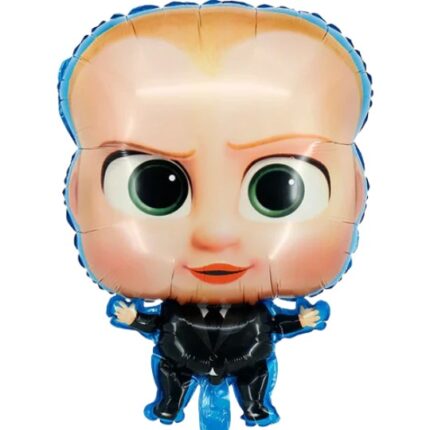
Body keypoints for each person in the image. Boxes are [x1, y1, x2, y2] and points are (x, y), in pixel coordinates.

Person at [59, 2, 371, 427]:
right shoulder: (183, 311)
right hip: (183, 354)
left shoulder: (251, 313)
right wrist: (135, 318)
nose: (216, 233)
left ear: (355, 193)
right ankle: (170, 403)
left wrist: (300, 319)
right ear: (76, 193)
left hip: (245, 356)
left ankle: (254, 405)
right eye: (156, 187)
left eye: (275, 188)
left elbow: (275, 328)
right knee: (172, 375)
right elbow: (155, 325)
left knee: (253, 378)